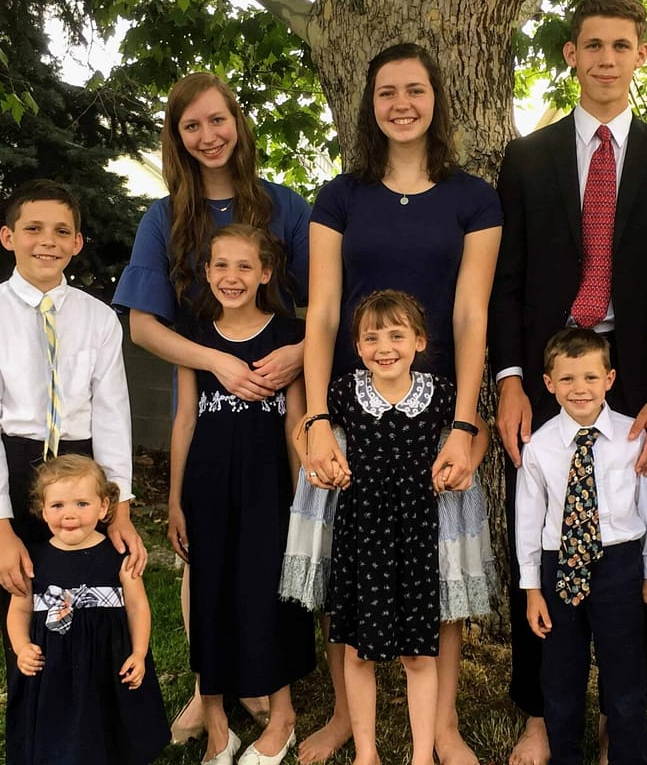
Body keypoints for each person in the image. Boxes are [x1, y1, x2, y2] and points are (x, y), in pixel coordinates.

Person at [488, 0, 647, 761]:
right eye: (593, 45)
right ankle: (540, 711)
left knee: (626, 533)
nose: (607, 58)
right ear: (571, 55)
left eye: (622, 45)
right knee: (541, 527)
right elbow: (507, 279)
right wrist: (511, 378)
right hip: (548, 368)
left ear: (641, 55)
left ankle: (621, 710)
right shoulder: (530, 156)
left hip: (633, 374)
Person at [301, 43, 502, 765]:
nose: (402, 104)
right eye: (387, 92)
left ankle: (439, 729)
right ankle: (351, 726)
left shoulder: (473, 197)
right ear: (370, 105)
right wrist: (315, 419)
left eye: (415, 90)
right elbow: (323, 312)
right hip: (351, 408)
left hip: (436, 410)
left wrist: (465, 422)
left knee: (434, 573)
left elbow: (472, 315)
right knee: (348, 567)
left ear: (436, 99)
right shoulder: (342, 196)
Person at [111, 71, 311, 740]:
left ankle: (265, 685)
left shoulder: (285, 206)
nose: (207, 136)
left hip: (279, 412)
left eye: (216, 120)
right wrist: (219, 361)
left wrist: (300, 354)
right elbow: (143, 326)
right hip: (204, 412)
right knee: (205, 563)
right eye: (190, 125)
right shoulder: (165, 218)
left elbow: (326, 306)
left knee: (266, 555)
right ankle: (209, 691)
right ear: (177, 137)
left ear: (237, 121)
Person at [0, 179, 146, 678]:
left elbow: (112, 414)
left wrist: (119, 506)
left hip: (84, 471)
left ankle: (97, 717)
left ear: (77, 243)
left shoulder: (99, 319)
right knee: (24, 605)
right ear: (7, 237)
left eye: (62, 231)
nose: (48, 241)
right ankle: (37, 720)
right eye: (33, 228)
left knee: (98, 603)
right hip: (16, 465)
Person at [316, 290, 489, 765]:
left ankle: (420, 754)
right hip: (362, 534)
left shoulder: (441, 393)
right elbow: (309, 433)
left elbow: (477, 430)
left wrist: (466, 463)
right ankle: (366, 752)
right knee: (358, 652)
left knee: (419, 654)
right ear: (357, 345)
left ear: (419, 341)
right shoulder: (345, 392)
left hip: (416, 536)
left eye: (396, 335)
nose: (384, 347)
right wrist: (316, 460)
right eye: (371, 338)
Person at [168, 224, 315, 765]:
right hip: (207, 486)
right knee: (209, 597)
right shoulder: (194, 334)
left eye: (244, 266)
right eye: (221, 266)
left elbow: (295, 420)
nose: (232, 277)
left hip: (267, 487)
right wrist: (175, 499)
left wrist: (305, 500)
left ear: (266, 274)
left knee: (268, 597)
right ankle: (217, 727)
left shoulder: (285, 338)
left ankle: (283, 717)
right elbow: (185, 419)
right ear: (206, 272)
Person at [516, 328, 647, 765]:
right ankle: (565, 756)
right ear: (548, 383)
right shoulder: (539, 446)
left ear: (610, 379)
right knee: (561, 675)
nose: (580, 389)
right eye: (567, 379)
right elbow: (527, 519)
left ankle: (627, 756)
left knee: (624, 674)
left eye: (590, 378)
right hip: (559, 565)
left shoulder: (633, 435)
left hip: (620, 565)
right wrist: (531, 589)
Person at [5, 455, 169, 765]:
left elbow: (137, 605)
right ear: (43, 510)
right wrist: (21, 647)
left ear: (104, 506)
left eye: (82, 504)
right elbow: (20, 611)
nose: (69, 515)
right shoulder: (33, 561)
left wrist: (139, 652)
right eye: (58, 506)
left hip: (107, 663)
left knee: (108, 726)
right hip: (54, 670)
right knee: (59, 731)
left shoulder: (118, 556)